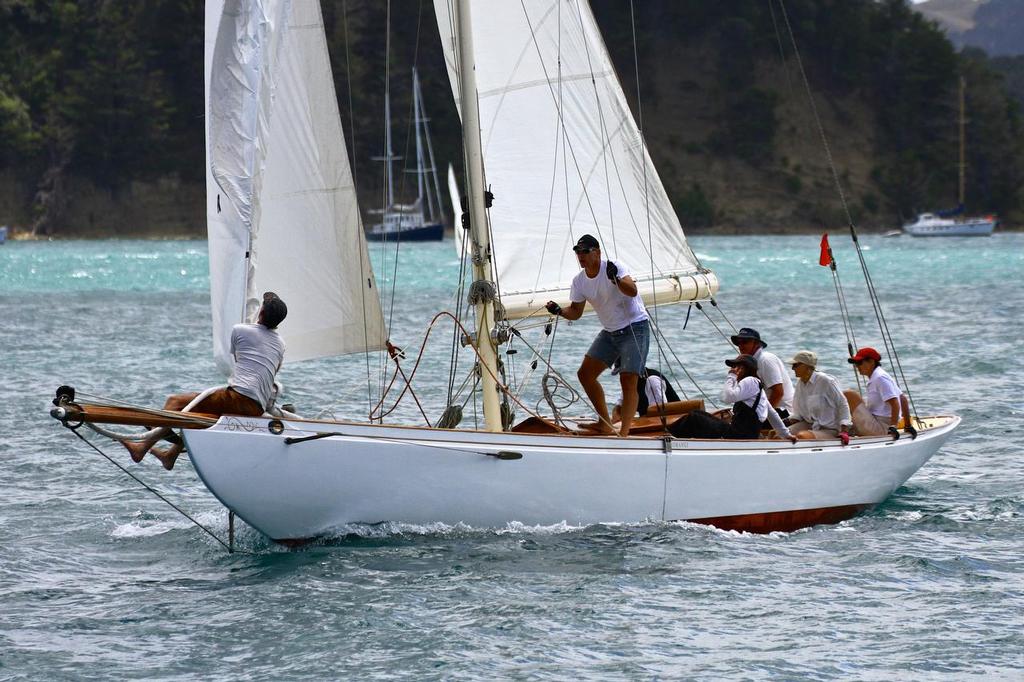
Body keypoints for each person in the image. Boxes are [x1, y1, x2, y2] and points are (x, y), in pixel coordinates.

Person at [123, 292, 288, 470]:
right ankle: (170, 455)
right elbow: (271, 368)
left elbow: (236, 360)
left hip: (239, 397)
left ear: (261, 313)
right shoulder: (281, 343)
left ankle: (142, 448)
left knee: (174, 403)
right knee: (194, 415)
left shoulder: (241, 330)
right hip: (257, 407)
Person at [545, 234, 649, 436]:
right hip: (610, 332)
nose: (581, 255)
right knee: (585, 374)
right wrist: (558, 311)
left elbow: (632, 291)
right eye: (577, 252)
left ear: (597, 252)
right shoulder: (579, 281)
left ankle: (624, 434)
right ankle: (605, 423)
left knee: (628, 379)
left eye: (585, 251)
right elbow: (575, 312)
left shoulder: (614, 266)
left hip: (634, 327)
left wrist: (615, 279)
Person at [669, 354, 794, 441]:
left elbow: (727, 397)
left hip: (737, 436)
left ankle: (670, 436)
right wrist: (786, 434)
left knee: (694, 417)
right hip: (745, 434)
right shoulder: (757, 387)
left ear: (745, 368)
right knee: (699, 414)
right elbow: (771, 413)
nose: (733, 369)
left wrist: (731, 377)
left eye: (737, 367)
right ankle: (674, 436)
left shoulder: (750, 381)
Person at [843, 346, 916, 439]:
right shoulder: (880, 375)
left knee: (849, 395)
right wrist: (908, 425)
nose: (857, 367)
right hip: (878, 422)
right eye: (856, 364)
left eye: (860, 363)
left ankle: (835, 428)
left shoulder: (879, 378)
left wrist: (893, 427)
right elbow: (902, 398)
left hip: (882, 428)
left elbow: (895, 402)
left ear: (871, 362)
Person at [786, 350, 853, 445]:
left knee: (802, 436)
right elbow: (798, 415)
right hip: (810, 424)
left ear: (807, 366)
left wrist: (844, 431)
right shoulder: (800, 384)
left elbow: (842, 404)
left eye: (795, 365)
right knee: (778, 434)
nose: (793, 368)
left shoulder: (826, 381)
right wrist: (780, 425)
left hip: (830, 429)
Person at [731, 327, 793, 420]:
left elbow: (778, 392)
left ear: (756, 344)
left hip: (782, 411)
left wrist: (762, 416)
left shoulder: (765, 360)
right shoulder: (748, 362)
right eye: (738, 343)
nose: (740, 345)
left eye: (745, 342)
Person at [610, 366, 681, 422]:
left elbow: (658, 415)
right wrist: (616, 416)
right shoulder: (630, 384)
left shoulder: (652, 381)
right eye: (620, 373)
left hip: (673, 424)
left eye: (623, 373)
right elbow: (618, 408)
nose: (621, 376)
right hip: (649, 422)